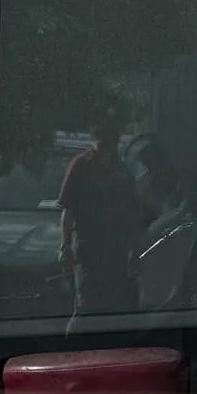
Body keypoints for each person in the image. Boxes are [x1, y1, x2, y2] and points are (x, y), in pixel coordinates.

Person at [57, 119, 144, 319]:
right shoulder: (81, 166)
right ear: (95, 140)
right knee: (86, 305)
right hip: (89, 251)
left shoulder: (122, 171)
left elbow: (131, 213)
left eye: (111, 140)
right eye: (102, 140)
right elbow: (68, 209)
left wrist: (135, 248)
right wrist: (65, 246)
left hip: (117, 251)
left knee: (115, 306)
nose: (107, 145)